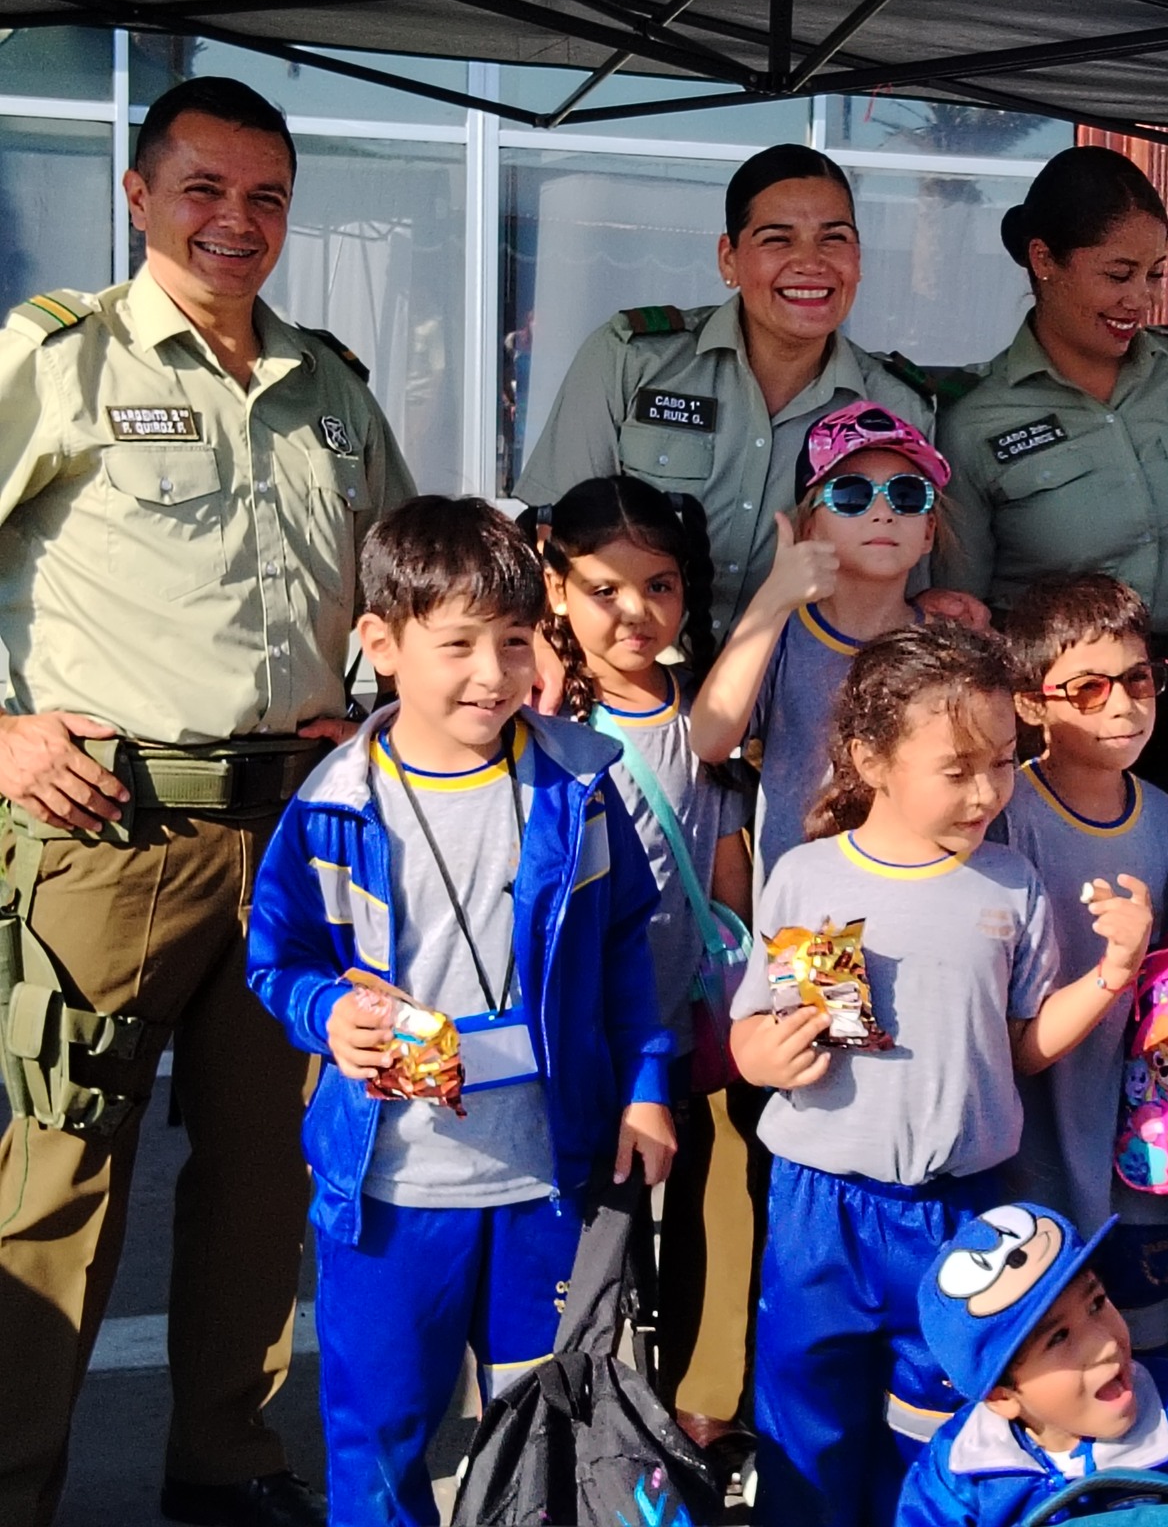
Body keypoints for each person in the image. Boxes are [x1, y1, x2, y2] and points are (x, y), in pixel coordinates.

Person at [0, 77, 415, 1527]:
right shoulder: (59, 358)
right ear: (138, 195)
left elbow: (400, 579)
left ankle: (223, 1458)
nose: (235, 221)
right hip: (102, 831)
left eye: (265, 198)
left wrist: (378, 712)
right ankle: (14, 1484)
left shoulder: (329, 386)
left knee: (264, 1170)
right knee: (58, 1178)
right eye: (203, 190)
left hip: (290, 835)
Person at [245, 496, 677, 1527]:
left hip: (543, 1180)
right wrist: (325, 1013)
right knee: (381, 1433)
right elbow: (278, 958)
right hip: (394, 1189)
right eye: (459, 644)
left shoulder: (578, 785)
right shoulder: (333, 804)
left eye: (516, 640)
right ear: (381, 644)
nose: (494, 672)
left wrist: (647, 1085)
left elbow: (628, 950)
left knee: (541, 1428)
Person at [728, 621, 1154, 1527]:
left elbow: (1024, 1045)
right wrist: (765, 1054)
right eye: (957, 769)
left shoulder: (1011, 884)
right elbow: (751, 1030)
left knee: (941, 1428)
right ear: (870, 759)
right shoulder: (805, 875)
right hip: (820, 1208)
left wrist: (1114, 973)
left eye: (1000, 763)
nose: (987, 791)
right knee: (804, 1417)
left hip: (964, 1211)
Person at [528, 475, 756, 1461]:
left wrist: (739, 978)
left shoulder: (700, 707)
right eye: (604, 590)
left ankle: (694, 1421)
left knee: (717, 1214)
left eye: (659, 586)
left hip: (694, 1013)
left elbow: (725, 857)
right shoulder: (543, 714)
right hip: (594, 1036)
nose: (636, 612)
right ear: (554, 587)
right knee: (594, 1241)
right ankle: (571, 1439)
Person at [515, 143, 943, 651]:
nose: (811, 263)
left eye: (834, 239)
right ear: (729, 259)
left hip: (798, 684)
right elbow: (549, 541)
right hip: (633, 673)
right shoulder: (634, 360)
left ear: (858, 259)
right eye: (777, 239)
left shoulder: (896, 409)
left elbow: (906, 590)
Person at [933, 145, 1168, 788]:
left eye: (1155, 274)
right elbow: (963, 617)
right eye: (1118, 274)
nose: (1140, 299)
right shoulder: (974, 418)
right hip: (1059, 726)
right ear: (1044, 260)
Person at [995, 575, 1168, 1350]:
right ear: (1030, 704)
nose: (1123, 705)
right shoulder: (1004, 813)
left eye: (1138, 679)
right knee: (1044, 1347)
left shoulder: (1166, 815)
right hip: (1030, 1150)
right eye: (1089, 688)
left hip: (1140, 1145)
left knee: (1140, 1343)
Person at [897, 1201, 1168, 1527]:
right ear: (1003, 1397)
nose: (1104, 1343)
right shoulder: (959, 1470)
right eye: (1058, 1337)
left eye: (1097, 1303)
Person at [690, 400, 944, 881]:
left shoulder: (950, 647)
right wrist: (771, 600)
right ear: (810, 526)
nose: (883, 512)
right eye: (851, 495)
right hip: (801, 910)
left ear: (928, 531)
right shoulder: (781, 631)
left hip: (920, 895)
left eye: (908, 495)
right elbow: (709, 740)